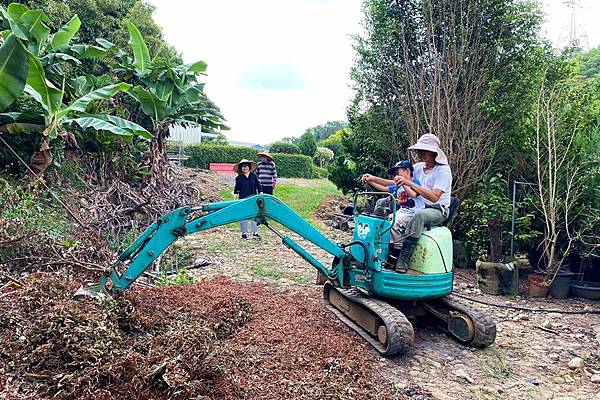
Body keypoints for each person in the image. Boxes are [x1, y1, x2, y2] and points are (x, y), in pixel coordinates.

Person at [391, 134, 452, 272]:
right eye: (419, 151)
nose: (420, 154)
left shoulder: (443, 170)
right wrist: (374, 179)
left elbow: (434, 197)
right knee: (387, 205)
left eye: (423, 151)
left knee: (419, 215)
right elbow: (400, 182)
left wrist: (409, 183)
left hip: (437, 210)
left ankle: (402, 259)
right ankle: (389, 249)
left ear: (433, 153)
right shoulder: (418, 167)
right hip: (419, 205)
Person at [362, 160, 424, 270]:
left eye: (398, 172)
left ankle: (396, 253)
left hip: (413, 212)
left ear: (407, 171)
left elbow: (413, 194)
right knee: (383, 222)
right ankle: (382, 250)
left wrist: (404, 184)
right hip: (402, 211)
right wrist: (370, 181)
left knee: (395, 224)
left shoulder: (415, 182)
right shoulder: (397, 185)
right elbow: (384, 188)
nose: (396, 175)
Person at [233, 159, 262, 239]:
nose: (244, 168)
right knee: (243, 216)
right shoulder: (239, 178)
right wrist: (235, 199)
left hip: (253, 198)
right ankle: (244, 233)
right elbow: (236, 190)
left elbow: (259, 186)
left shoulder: (253, 176)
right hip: (243, 199)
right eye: (242, 167)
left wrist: (261, 195)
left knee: (254, 215)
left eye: (246, 166)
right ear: (240, 168)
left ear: (249, 167)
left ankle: (255, 232)